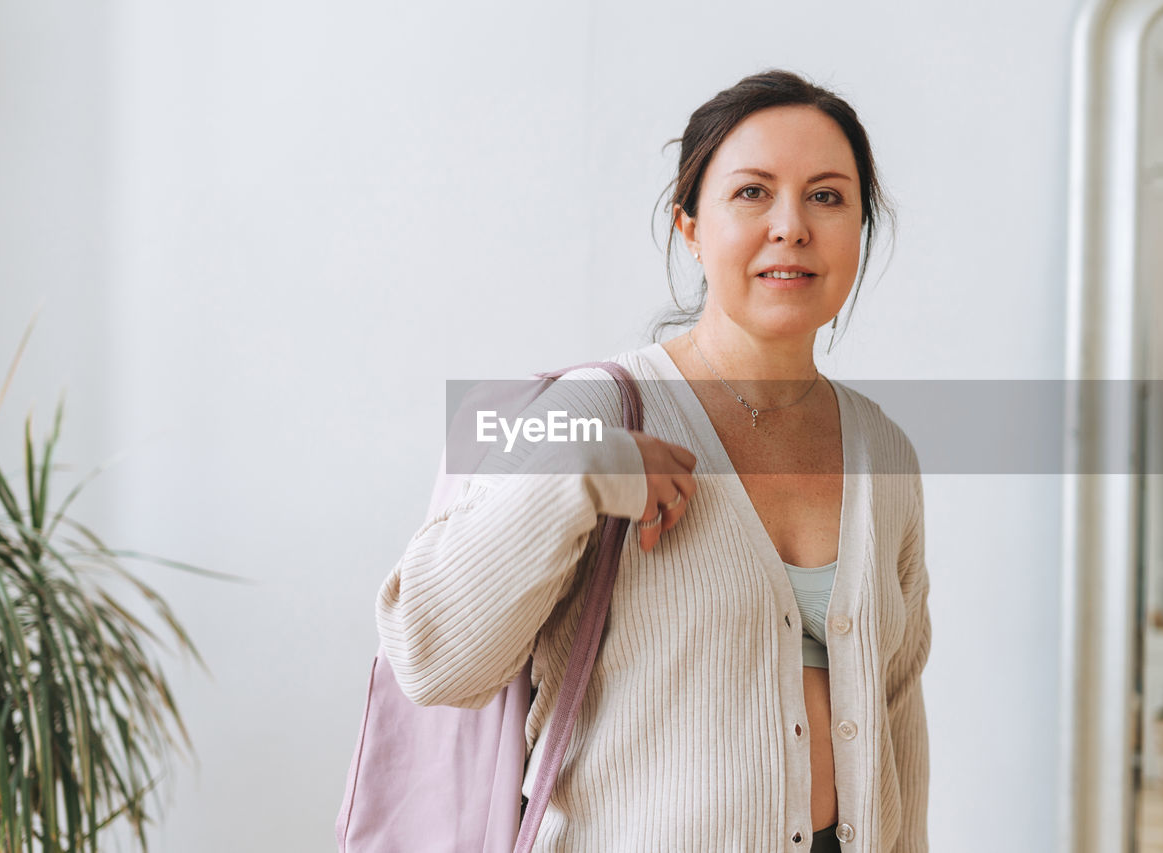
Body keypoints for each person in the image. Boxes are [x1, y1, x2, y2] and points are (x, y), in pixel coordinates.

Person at [376, 68, 930, 852]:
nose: (792, 225)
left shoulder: (884, 452)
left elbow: (897, 718)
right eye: (751, 192)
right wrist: (579, 476)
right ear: (690, 225)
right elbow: (431, 658)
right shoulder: (591, 411)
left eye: (828, 196)